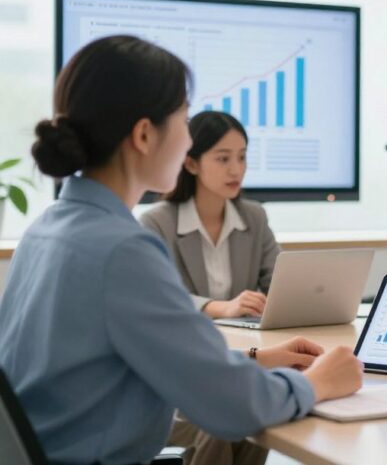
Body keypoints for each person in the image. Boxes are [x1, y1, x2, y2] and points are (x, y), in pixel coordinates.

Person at [0, 35, 362, 464]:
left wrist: (256, 358)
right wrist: (319, 382)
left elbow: (135, 359)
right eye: (184, 120)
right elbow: (233, 406)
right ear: (143, 134)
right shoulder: (123, 250)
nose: (189, 142)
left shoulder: (46, 229)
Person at [141, 111, 278, 320]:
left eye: (242, 157)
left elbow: (279, 284)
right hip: (185, 335)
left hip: (245, 337)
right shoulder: (157, 222)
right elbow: (156, 294)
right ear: (191, 164)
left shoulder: (254, 216)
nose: (236, 170)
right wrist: (220, 308)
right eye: (223, 159)